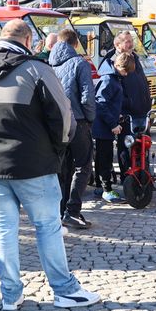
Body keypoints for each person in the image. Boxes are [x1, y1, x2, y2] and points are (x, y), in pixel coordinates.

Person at [0, 19, 100, 310]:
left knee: (4, 229)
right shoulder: (37, 70)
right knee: (47, 227)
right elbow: (63, 119)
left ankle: (10, 294)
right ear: (28, 40)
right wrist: (56, 150)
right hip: (35, 164)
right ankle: (64, 290)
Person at [49, 29, 96, 229]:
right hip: (78, 121)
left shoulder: (48, 65)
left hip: (57, 123)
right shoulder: (79, 63)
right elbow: (87, 97)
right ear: (75, 44)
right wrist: (90, 119)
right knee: (83, 166)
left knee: (62, 168)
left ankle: (61, 211)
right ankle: (73, 211)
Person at [97, 31, 151, 201]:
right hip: (122, 116)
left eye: (131, 41)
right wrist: (118, 115)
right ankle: (117, 183)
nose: (130, 44)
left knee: (139, 149)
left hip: (140, 112)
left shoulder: (134, 58)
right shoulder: (113, 65)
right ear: (117, 45)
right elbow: (106, 99)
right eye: (126, 41)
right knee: (120, 150)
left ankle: (137, 178)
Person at [92, 52, 134, 203]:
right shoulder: (109, 79)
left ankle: (102, 187)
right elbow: (101, 103)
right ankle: (106, 189)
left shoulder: (114, 77)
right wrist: (113, 124)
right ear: (117, 66)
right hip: (103, 127)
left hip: (107, 124)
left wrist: (118, 117)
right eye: (125, 70)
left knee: (104, 157)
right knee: (105, 158)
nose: (126, 74)